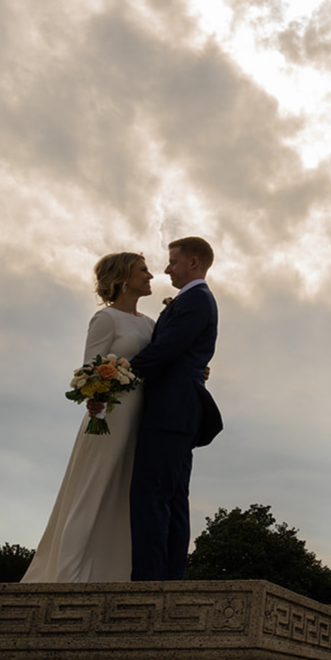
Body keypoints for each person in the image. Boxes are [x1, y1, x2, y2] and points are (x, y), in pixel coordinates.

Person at [24, 252, 156, 582]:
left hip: (143, 415)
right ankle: (69, 574)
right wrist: (95, 400)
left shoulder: (149, 323)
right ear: (124, 278)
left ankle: (113, 574)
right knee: (94, 488)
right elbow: (90, 369)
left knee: (125, 492)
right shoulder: (106, 319)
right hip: (110, 417)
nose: (150, 275)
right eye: (143, 270)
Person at [127, 237, 222, 582]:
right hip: (178, 413)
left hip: (170, 413)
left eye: (172, 261)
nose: (166, 268)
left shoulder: (196, 300)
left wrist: (118, 375)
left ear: (193, 262)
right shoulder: (195, 300)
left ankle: (149, 583)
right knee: (172, 500)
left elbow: (167, 349)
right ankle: (167, 579)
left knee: (151, 498)